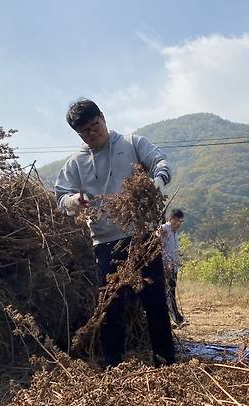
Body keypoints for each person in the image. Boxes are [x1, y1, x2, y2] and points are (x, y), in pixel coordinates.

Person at [55, 98, 175, 367]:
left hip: (142, 236)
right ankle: (114, 367)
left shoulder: (132, 144)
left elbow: (161, 163)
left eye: (94, 125)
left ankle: (166, 361)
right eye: (83, 131)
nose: (91, 133)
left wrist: (155, 185)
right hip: (105, 242)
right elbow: (61, 199)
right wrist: (74, 201)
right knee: (111, 307)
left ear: (103, 117)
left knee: (154, 301)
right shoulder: (75, 163)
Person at [160, 209, 188, 327]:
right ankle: (178, 319)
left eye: (181, 221)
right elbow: (158, 236)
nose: (179, 224)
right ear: (171, 219)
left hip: (174, 267)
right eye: (177, 221)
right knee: (169, 293)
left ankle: (171, 319)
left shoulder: (175, 232)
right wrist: (166, 263)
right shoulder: (166, 228)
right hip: (166, 267)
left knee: (170, 292)